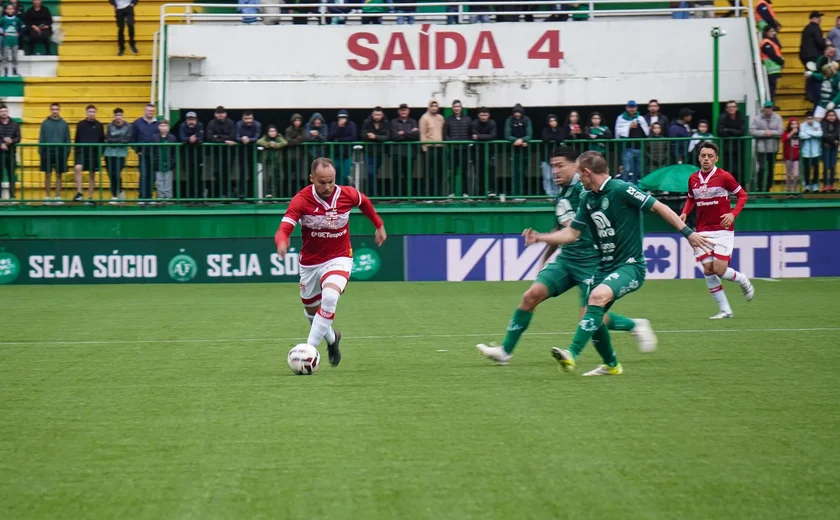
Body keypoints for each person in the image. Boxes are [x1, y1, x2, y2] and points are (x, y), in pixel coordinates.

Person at [523, 151, 714, 376]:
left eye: (579, 175)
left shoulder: (621, 189)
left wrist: (688, 233)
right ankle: (611, 365)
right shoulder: (587, 198)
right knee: (592, 316)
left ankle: (572, 354)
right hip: (604, 267)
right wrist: (541, 238)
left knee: (595, 300)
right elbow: (572, 234)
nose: (578, 180)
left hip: (630, 266)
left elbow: (659, 207)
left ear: (587, 172)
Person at [476, 146, 657, 366]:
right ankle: (504, 352)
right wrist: (545, 260)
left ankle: (633, 328)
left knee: (589, 316)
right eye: (552, 166)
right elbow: (559, 230)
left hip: (592, 260)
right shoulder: (562, 195)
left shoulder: (589, 191)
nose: (555, 171)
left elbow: (574, 232)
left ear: (578, 167)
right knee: (531, 295)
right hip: (567, 260)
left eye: (560, 165)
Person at [274, 157, 387, 367]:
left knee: (330, 296)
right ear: (311, 179)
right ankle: (333, 339)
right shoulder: (301, 200)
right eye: (322, 182)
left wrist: (378, 225)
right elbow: (284, 228)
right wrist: (282, 241)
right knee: (311, 310)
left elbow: (365, 203)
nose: (327, 186)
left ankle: (308, 350)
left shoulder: (347, 194)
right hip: (310, 262)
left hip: (339, 257)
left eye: (331, 181)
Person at [679, 142, 754, 320]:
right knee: (708, 270)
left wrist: (733, 213)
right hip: (703, 230)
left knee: (719, 270)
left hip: (723, 229)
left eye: (710, 156)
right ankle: (725, 310)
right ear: (698, 157)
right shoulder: (693, 179)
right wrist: (684, 213)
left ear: (716, 159)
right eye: (703, 156)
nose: (706, 159)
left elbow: (742, 195)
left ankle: (742, 279)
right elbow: (691, 199)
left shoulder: (724, 177)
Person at [38, 103, 70, 204]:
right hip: (47, 151)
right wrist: (41, 152)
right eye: (53, 109)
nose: (55, 111)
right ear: (50, 110)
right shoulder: (45, 123)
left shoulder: (64, 124)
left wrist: (66, 153)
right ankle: (47, 197)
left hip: (60, 151)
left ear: (59, 110)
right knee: (47, 174)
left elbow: (67, 139)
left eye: (56, 109)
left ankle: (57, 197)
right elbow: (41, 139)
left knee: (59, 174)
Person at [73, 104, 105, 204]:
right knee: (78, 168)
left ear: (95, 113)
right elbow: (77, 139)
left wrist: (100, 153)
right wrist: (77, 150)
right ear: (86, 112)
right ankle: (79, 193)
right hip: (82, 151)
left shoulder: (99, 125)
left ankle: (90, 198)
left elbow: (102, 140)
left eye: (93, 112)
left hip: (94, 153)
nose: (91, 113)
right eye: (90, 112)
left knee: (92, 175)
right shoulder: (80, 124)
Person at [749, 101, 783, 191]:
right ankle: (760, 188)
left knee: (771, 169)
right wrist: (764, 133)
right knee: (762, 168)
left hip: (773, 147)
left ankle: (768, 188)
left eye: (770, 108)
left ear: (772, 108)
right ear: (763, 108)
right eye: (767, 108)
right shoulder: (757, 118)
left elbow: (780, 131)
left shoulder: (778, 117)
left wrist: (771, 133)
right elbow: (752, 131)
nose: (768, 109)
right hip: (761, 148)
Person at [205, 106, 236, 198]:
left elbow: (232, 136)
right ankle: (220, 194)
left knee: (227, 173)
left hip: (229, 153)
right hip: (216, 153)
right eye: (218, 113)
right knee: (217, 173)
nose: (220, 115)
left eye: (222, 113)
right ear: (215, 114)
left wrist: (217, 137)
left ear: (225, 114)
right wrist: (224, 140)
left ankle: (226, 194)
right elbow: (209, 137)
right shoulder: (211, 123)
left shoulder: (230, 123)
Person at [614, 100, 649, 183]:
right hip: (627, 148)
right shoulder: (621, 118)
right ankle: (624, 186)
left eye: (633, 107)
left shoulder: (640, 118)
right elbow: (618, 132)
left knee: (638, 170)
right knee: (626, 169)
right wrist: (629, 127)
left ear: (636, 108)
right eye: (630, 107)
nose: (632, 109)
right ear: (626, 108)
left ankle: (636, 187)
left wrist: (639, 126)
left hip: (639, 148)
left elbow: (646, 132)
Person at [131, 104, 160, 202]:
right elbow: (132, 139)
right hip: (142, 153)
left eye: (152, 111)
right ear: (145, 111)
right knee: (143, 175)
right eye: (148, 110)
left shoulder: (158, 124)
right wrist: (137, 150)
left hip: (154, 154)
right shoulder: (137, 123)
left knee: (152, 176)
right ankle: (142, 197)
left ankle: (149, 197)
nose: (150, 112)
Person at [443, 100, 472, 197]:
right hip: (453, 149)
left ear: (461, 108)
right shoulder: (448, 119)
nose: (456, 108)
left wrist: (468, 142)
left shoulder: (467, 119)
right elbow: (445, 134)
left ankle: (465, 193)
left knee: (465, 172)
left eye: (458, 106)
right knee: (452, 172)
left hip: (464, 150)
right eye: (455, 106)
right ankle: (451, 193)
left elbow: (470, 133)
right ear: (452, 108)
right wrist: (451, 142)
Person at [390, 103, 419, 197]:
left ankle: (409, 196)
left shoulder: (413, 121)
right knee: (396, 176)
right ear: (399, 111)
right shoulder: (394, 122)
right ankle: (396, 197)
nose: (403, 112)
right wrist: (409, 133)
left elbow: (416, 136)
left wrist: (403, 133)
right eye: (402, 110)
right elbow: (394, 136)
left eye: (405, 110)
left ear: (408, 111)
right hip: (397, 153)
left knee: (408, 176)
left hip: (409, 153)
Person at [360, 106, 389, 196]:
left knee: (374, 173)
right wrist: (371, 137)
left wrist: (375, 137)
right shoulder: (366, 122)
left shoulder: (386, 123)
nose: (377, 116)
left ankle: (374, 194)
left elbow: (387, 137)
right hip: (369, 152)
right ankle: (372, 195)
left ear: (382, 115)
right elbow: (363, 135)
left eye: (379, 114)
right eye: (375, 114)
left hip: (380, 153)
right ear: (372, 114)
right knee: (370, 173)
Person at [504, 103, 533, 196]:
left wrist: (522, 140)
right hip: (513, 151)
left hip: (524, 150)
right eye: (516, 112)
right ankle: (515, 194)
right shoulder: (509, 120)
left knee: (522, 172)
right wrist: (516, 141)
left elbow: (529, 134)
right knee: (514, 172)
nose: (517, 114)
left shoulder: (526, 120)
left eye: (519, 112)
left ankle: (521, 193)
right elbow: (507, 135)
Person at [104, 108, 131, 204]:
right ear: (114, 116)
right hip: (109, 154)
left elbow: (126, 139)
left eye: (120, 115)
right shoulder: (110, 126)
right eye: (116, 115)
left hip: (121, 155)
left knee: (116, 174)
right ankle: (114, 196)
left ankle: (119, 193)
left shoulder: (128, 126)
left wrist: (115, 139)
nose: (118, 117)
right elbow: (108, 138)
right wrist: (119, 139)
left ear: (122, 116)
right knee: (111, 175)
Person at [419, 100, 445, 196]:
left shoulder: (440, 118)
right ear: (429, 107)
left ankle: (439, 195)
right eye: (432, 105)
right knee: (428, 172)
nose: (434, 107)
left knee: (439, 172)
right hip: (429, 148)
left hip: (439, 148)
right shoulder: (424, 118)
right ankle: (427, 195)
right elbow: (422, 133)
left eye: (436, 105)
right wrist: (424, 148)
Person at [800, 11, 827, 104]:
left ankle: (809, 92)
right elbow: (819, 41)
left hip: (805, 55)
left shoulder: (806, 28)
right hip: (813, 55)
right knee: (813, 73)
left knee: (809, 72)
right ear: (815, 18)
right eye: (819, 17)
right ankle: (810, 93)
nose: (820, 20)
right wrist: (826, 45)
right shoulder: (816, 28)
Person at [717, 101, 747, 182]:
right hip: (727, 148)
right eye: (729, 107)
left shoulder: (741, 117)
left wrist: (728, 130)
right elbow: (720, 132)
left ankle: (739, 187)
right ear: (726, 109)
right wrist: (735, 132)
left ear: (736, 108)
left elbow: (742, 132)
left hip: (739, 147)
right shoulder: (722, 117)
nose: (731, 108)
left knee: (739, 169)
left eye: (733, 106)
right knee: (727, 169)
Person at [178, 111, 204, 199]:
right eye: (189, 120)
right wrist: (189, 139)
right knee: (189, 176)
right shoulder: (182, 125)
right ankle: (190, 197)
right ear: (186, 120)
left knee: (198, 176)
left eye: (193, 119)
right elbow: (181, 137)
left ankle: (199, 197)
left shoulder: (200, 125)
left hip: (198, 155)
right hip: (186, 155)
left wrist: (195, 139)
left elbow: (202, 137)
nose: (191, 121)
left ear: (196, 120)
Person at [256, 125, 287, 198]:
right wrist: (268, 144)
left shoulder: (279, 137)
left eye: (274, 131)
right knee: (268, 177)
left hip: (277, 161)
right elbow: (259, 141)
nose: (272, 133)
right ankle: (268, 194)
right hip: (267, 161)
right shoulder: (265, 137)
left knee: (277, 178)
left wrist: (276, 145)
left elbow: (284, 142)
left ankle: (276, 195)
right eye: (270, 131)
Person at [236, 110, 262, 198]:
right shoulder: (239, 124)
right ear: (243, 118)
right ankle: (241, 194)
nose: (248, 120)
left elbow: (257, 137)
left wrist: (249, 140)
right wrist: (242, 139)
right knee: (242, 173)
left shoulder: (257, 124)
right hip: (242, 151)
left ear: (253, 118)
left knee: (252, 173)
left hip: (253, 152)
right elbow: (236, 136)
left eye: (250, 118)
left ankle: (252, 195)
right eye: (246, 118)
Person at [471, 107, 496, 196]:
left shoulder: (492, 123)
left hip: (489, 151)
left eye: (485, 115)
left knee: (491, 170)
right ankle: (480, 193)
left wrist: (479, 137)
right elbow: (473, 135)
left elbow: (493, 136)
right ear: (478, 115)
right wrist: (485, 137)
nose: (484, 117)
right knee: (479, 172)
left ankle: (491, 191)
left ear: (488, 115)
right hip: (478, 151)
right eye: (482, 115)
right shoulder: (474, 123)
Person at [328, 109, 357, 185]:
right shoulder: (334, 125)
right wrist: (339, 128)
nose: (342, 119)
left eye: (344, 117)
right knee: (335, 174)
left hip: (347, 154)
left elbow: (353, 137)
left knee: (346, 175)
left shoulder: (351, 125)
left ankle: (344, 191)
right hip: (335, 154)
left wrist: (339, 139)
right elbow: (330, 137)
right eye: (340, 118)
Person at [151, 119, 178, 200]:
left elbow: (174, 152)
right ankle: (160, 198)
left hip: (168, 162)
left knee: (168, 181)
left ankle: (168, 198)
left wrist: (173, 162)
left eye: (165, 126)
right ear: (159, 127)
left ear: (168, 127)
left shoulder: (172, 138)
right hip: (158, 163)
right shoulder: (154, 138)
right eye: (161, 126)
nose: (163, 128)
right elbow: (153, 151)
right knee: (159, 181)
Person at [799, 110, 823, 192]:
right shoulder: (802, 125)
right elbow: (802, 135)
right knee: (807, 169)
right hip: (806, 152)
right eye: (808, 118)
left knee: (816, 169)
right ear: (805, 119)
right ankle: (807, 185)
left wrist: (808, 132)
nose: (810, 120)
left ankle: (815, 185)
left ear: (814, 118)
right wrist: (813, 133)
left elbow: (820, 134)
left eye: (811, 118)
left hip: (816, 152)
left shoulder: (817, 124)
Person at [0, 104, 20, 199]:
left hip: (11, 152)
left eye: (5, 111)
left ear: (7, 112)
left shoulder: (14, 124)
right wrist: (1, 144)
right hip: (0, 153)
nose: (4, 113)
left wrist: (11, 141)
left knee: (11, 175)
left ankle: (12, 197)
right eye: (2, 111)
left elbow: (18, 137)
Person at [760, 27, 784, 102]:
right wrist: (780, 61)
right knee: (770, 89)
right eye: (771, 31)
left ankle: (771, 103)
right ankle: (770, 103)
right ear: (766, 33)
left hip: (773, 70)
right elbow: (772, 54)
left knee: (772, 89)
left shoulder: (770, 41)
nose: (773, 33)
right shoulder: (766, 43)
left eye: (773, 31)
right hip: (770, 69)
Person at [1, 3, 23, 77]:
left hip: (14, 41)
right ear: (6, 10)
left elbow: (23, 27)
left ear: (14, 10)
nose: (10, 10)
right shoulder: (3, 19)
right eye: (8, 9)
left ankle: (15, 70)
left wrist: (19, 33)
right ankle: (5, 71)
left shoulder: (17, 19)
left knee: (15, 57)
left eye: (11, 9)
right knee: (5, 57)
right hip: (6, 41)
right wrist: (2, 33)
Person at [284, 113, 306, 184]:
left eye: (299, 120)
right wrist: (298, 140)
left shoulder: (302, 129)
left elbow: (305, 138)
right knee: (289, 175)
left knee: (299, 175)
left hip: (300, 156)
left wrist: (295, 140)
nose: (297, 122)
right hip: (290, 156)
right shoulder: (288, 130)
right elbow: (288, 142)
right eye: (296, 120)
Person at [781, 118, 801, 192]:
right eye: (792, 124)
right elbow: (784, 139)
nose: (794, 125)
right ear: (789, 125)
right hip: (788, 156)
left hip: (797, 157)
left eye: (796, 124)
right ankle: (788, 190)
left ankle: (794, 190)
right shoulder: (786, 132)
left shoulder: (800, 133)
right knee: (789, 174)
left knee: (796, 174)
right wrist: (792, 132)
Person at [822, 110, 839, 191]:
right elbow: (824, 134)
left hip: (834, 147)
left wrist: (831, 139)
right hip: (826, 147)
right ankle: (825, 185)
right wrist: (833, 140)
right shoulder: (824, 123)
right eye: (829, 115)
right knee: (826, 165)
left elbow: (837, 134)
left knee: (832, 165)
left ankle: (831, 184)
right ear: (826, 116)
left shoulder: (838, 124)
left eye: (833, 115)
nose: (831, 117)